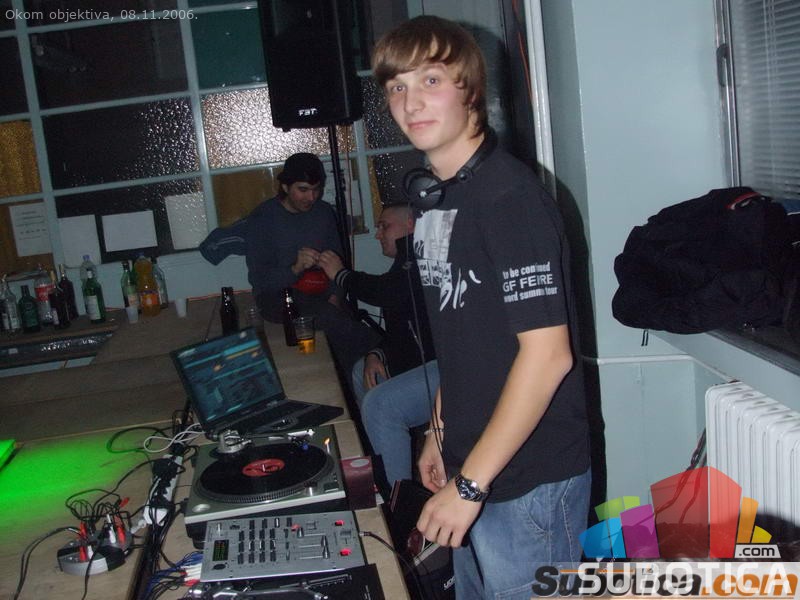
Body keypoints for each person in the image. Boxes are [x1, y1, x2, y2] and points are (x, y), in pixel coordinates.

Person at [372, 16, 591, 600]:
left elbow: (548, 358)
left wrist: (469, 486)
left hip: (528, 480)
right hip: (476, 463)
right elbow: (464, 340)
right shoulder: (438, 202)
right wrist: (439, 432)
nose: (410, 102)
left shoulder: (510, 200)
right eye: (397, 86)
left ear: (469, 89)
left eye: (431, 80)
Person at [199, 152, 380, 371]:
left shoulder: (323, 213)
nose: (311, 197)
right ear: (285, 187)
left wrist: (335, 296)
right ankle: (381, 352)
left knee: (340, 321)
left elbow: (337, 263)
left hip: (320, 290)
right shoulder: (263, 220)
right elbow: (261, 281)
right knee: (333, 320)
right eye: (303, 189)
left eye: (316, 189)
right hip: (278, 297)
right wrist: (295, 268)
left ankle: (363, 375)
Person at [317, 203, 438, 489]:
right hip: (422, 362)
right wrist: (378, 352)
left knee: (381, 404)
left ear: (410, 225)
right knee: (364, 369)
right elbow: (402, 330)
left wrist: (341, 275)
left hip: (447, 367)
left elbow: (387, 292)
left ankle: (398, 496)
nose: (378, 234)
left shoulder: (421, 255)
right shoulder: (405, 262)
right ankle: (383, 460)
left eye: (385, 226)